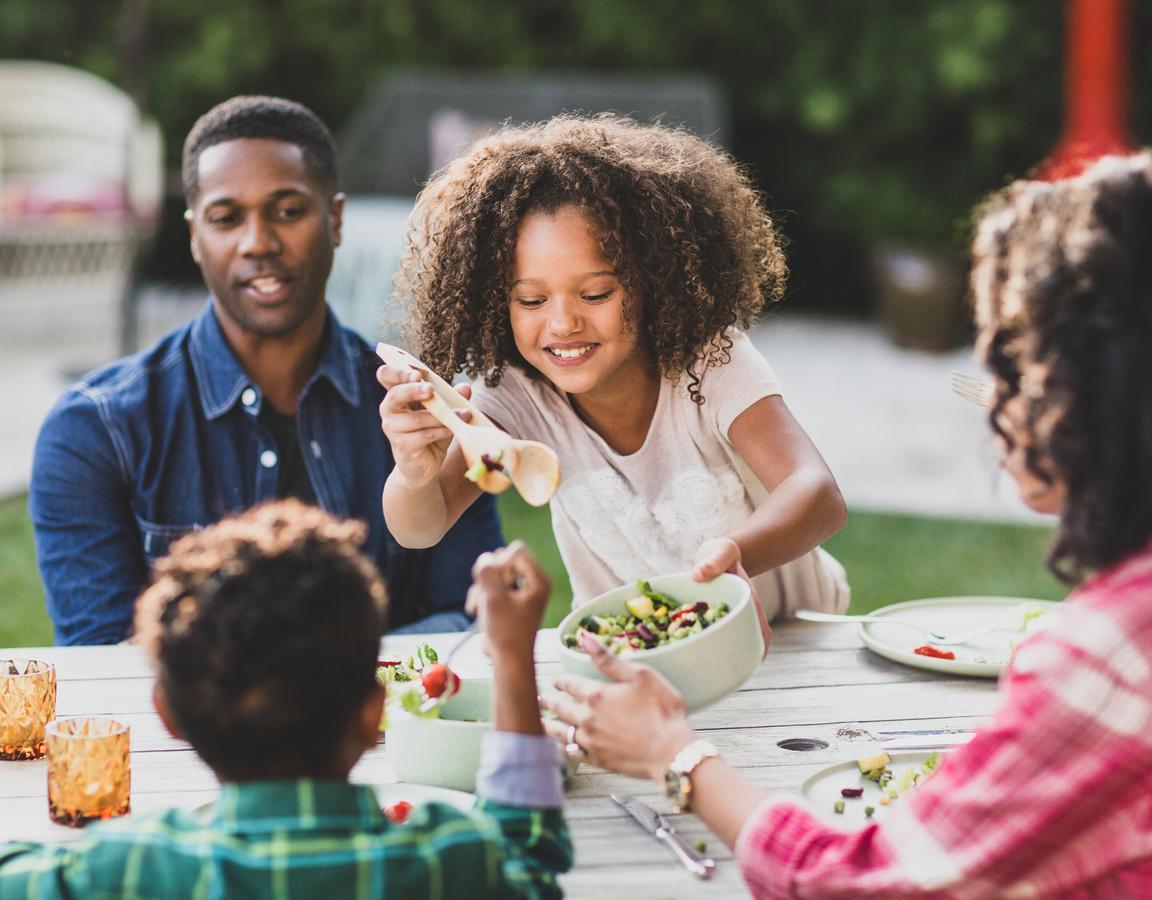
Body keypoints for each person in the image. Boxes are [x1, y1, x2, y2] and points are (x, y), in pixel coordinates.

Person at [539, 155, 1152, 896]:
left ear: (1105, 387)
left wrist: (676, 754)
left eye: (1016, 366)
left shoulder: (1110, 655)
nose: (993, 402)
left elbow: (858, 883)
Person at [29, 95, 502, 645]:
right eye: (227, 218)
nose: (259, 242)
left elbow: (470, 620)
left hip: (385, 730)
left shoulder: (430, 410)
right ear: (194, 237)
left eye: (288, 210)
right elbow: (102, 660)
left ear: (335, 219)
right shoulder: (94, 431)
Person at [378, 115, 849, 623]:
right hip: (632, 653)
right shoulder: (516, 400)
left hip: (795, 636)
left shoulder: (710, 364)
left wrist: (737, 554)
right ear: (497, 304)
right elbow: (419, 528)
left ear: (652, 279)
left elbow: (817, 494)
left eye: (596, 293)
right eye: (531, 300)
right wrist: (415, 473)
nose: (562, 323)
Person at [0, 500, 571, 898]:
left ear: (169, 715)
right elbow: (530, 857)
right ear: (376, 714)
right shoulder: (446, 859)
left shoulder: (126, 867)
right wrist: (513, 656)